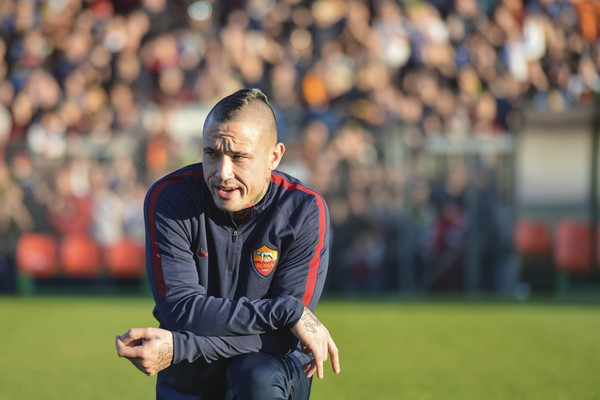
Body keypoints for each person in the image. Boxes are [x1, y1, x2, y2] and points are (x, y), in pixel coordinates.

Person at [115, 88, 340, 399]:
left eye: (238, 157)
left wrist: (181, 347)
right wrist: (286, 311)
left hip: (266, 370)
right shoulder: (170, 199)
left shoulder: (304, 210)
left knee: (255, 374)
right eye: (211, 153)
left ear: (273, 157)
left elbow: (282, 341)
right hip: (189, 376)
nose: (222, 172)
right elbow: (183, 311)